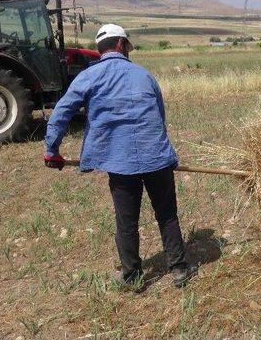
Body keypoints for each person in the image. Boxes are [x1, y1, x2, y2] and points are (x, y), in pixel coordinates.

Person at [44, 24, 198, 289]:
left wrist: (51, 149)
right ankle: (179, 269)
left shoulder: (88, 77)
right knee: (167, 214)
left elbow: (62, 111)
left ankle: (133, 277)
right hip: (156, 158)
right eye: (127, 46)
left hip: (119, 162)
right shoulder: (144, 76)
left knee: (126, 220)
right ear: (120, 45)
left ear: (101, 49)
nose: (127, 50)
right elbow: (159, 118)